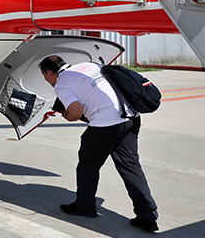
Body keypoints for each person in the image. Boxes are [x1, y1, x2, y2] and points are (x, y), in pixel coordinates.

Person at [39, 56, 159, 233]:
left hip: (105, 125)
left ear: (50, 72)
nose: (45, 79)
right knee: (131, 167)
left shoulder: (62, 83)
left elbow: (76, 112)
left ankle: (85, 206)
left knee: (87, 165)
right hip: (130, 118)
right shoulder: (88, 65)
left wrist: (66, 115)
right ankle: (147, 216)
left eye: (44, 75)